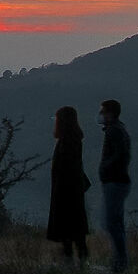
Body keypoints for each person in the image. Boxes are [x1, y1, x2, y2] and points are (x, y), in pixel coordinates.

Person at [46, 105, 90, 261]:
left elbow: (66, 166)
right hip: (72, 189)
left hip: (66, 190)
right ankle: (77, 257)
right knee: (75, 227)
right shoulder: (73, 139)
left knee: (67, 225)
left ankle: (71, 258)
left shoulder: (68, 141)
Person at [98, 99, 132, 273]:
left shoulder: (114, 131)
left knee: (111, 223)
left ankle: (119, 263)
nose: (101, 115)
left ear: (110, 113)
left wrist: (106, 168)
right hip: (117, 181)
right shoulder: (118, 130)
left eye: (103, 111)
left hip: (115, 181)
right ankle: (119, 261)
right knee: (114, 223)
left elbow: (121, 154)